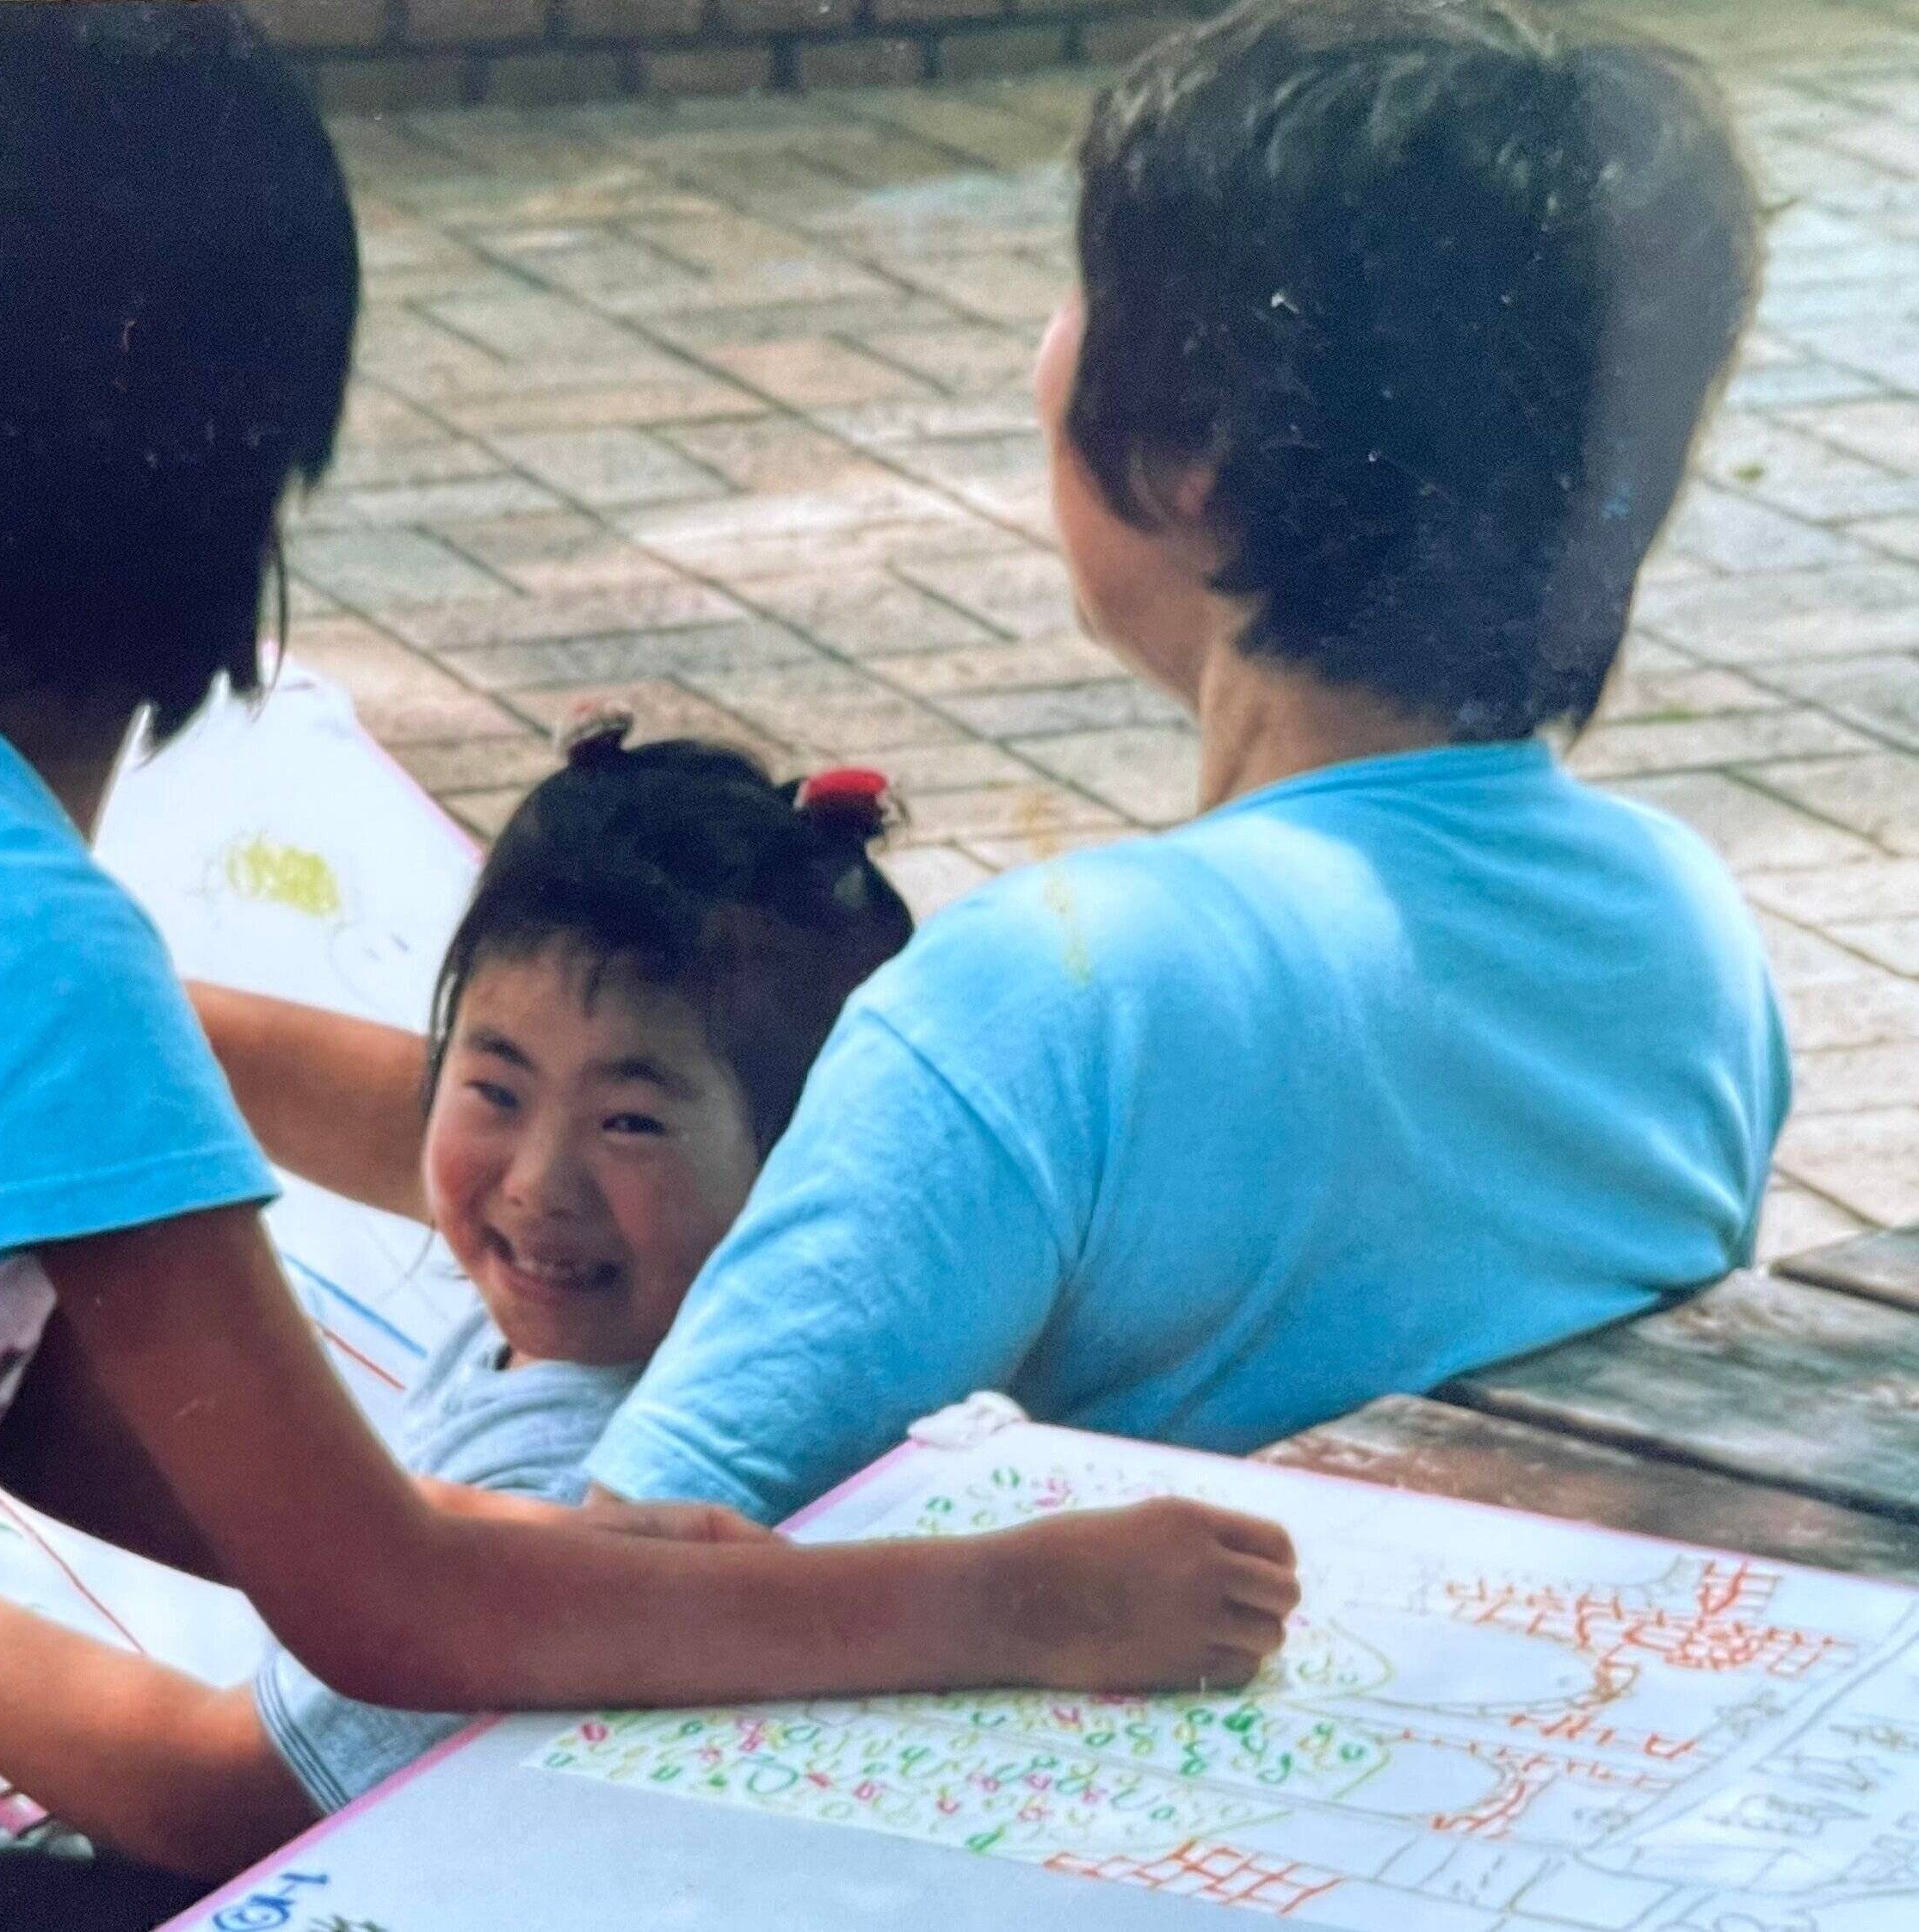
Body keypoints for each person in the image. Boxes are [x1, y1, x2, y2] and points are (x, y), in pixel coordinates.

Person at [0, 11, 1297, 1929]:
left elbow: (52, 1422)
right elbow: (380, 1603)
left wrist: (531, 1562)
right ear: (246, 475)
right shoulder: (18, 953)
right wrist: (1010, 1600)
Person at [565, 0, 1790, 1523]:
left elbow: (641, 1556)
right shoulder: (1683, 924)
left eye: (1086, 290)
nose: (1045, 348)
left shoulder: (1053, 992)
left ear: (1188, 447)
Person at [0, 724, 940, 1885]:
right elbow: (387, 1113)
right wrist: (57, 1015)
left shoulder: (615, 1473)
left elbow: (220, 1800)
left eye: (630, 1121)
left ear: (793, 1172)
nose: (537, 1182)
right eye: (497, 1086)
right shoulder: (684, 1273)